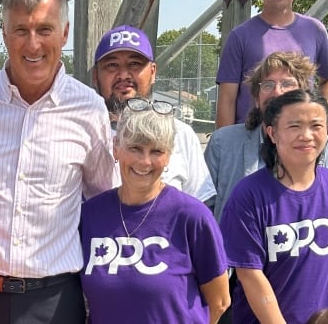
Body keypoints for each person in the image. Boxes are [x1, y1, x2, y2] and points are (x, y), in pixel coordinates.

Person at [0, 0, 115, 323]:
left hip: (57, 300)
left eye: (45, 29)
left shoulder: (88, 108)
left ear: (65, 33)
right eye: (21, 30)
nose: (33, 43)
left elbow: (104, 197)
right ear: (5, 35)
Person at [81, 98, 230, 323]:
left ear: (169, 155)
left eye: (156, 151)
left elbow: (219, 301)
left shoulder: (192, 216)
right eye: (135, 148)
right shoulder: (91, 215)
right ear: (116, 149)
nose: (145, 161)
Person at [220, 90, 328, 324]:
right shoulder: (248, 195)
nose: (306, 135)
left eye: (316, 125)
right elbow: (250, 275)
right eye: (294, 126)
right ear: (272, 133)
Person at [206, 51, 328, 221]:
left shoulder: (326, 148)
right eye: (268, 85)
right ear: (257, 99)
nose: (277, 92)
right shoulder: (223, 144)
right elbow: (203, 214)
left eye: (287, 84)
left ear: (304, 95)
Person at [92, 24, 216, 203]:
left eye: (135, 64)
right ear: (95, 75)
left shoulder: (180, 134)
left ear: (152, 72)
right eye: (112, 65)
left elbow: (201, 206)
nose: (124, 74)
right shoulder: (82, 134)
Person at [215, 0, 328, 128]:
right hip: (251, 137)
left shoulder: (315, 30)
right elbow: (227, 99)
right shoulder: (240, 36)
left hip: (297, 137)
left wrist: (319, 114)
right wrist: (225, 145)